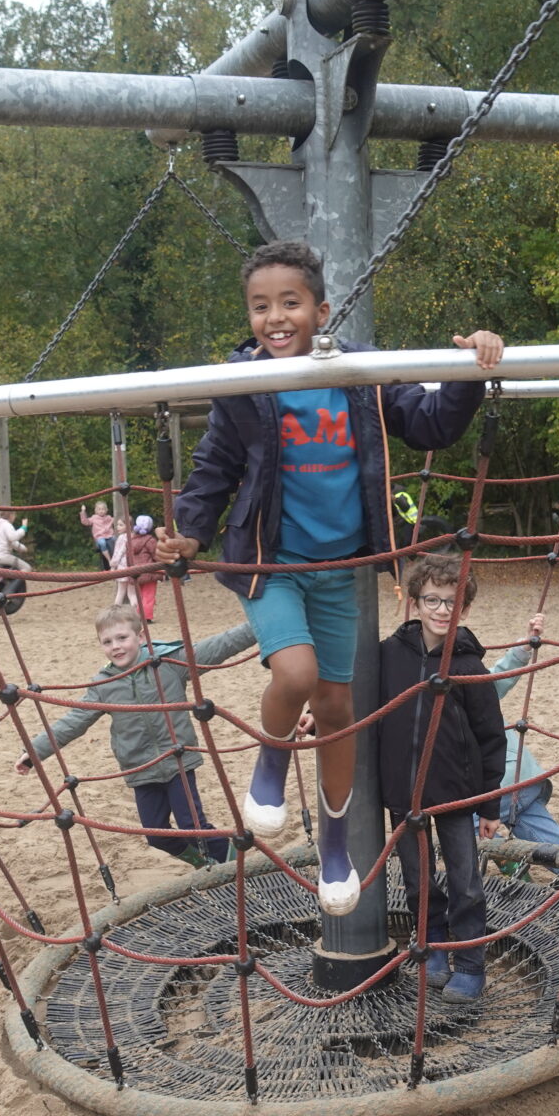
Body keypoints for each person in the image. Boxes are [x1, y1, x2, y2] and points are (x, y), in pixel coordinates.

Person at [159, 239, 504, 916]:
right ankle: (270, 765)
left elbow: (429, 423)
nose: (274, 318)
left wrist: (468, 372)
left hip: (342, 570)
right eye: (260, 306)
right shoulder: (244, 386)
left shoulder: (359, 374)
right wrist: (192, 531)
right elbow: (215, 466)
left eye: (289, 303)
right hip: (272, 565)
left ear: (320, 312)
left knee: (339, 710)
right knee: (296, 675)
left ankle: (338, 847)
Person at [16, 604, 253, 868]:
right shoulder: (104, 684)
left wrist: (261, 625)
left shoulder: (168, 663)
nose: (115, 646)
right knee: (156, 835)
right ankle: (205, 864)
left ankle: (236, 867)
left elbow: (221, 646)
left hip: (177, 760)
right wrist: (35, 751)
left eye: (122, 638)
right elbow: (74, 721)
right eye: (107, 642)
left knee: (194, 828)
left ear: (140, 637)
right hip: (140, 767)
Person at [377, 554, 507, 1003]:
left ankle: (469, 963)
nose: (440, 609)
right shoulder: (389, 654)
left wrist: (490, 805)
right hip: (404, 792)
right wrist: (320, 716)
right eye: (432, 599)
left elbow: (491, 737)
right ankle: (431, 946)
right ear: (414, 602)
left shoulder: (469, 667)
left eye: (451, 602)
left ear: (464, 609)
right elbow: (361, 701)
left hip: (455, 793)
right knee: (418, 878)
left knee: (465, 880)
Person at [485, 610, 559, 864]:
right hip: (525, 777)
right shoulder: (474, 685)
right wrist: (524, 647)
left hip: (502, 786)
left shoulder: (455, 694)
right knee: (555, 850)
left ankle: (511, 866)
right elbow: (500, 676)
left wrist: (524, 647)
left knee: (461, 822)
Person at [128, 515, 161, 623]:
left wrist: (129, 571)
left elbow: (128, 558)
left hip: (136, 573)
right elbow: (156, 555)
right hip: (149, 572)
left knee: (140, 595)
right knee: (148, 594)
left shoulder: (131, 541)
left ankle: (139, 614)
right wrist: (162, 566)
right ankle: (146, 616)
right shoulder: (151, 541)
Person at [108, 516, 136, 608]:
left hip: (122, 567)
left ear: (128, 526)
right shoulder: (134, 536)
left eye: (121, 525)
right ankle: (136, 612)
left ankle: (116, 612)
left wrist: (113, 566)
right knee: (132, 593)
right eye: (117, 525)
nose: (118, 527)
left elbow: (118, 553)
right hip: (133, 567)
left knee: (120, 592)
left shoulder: (122, 537)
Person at [80, 499, 116, 569]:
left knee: (115, 539)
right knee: (102, 543)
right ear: (96, 511)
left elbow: (117, 519)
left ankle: (116, 560)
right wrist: (83, 511)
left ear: (106, 510)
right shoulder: (94, 518)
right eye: (99, 509)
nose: (101, 511)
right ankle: (110, 560)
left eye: (103, 509)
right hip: (100, 537)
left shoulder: (108, 518)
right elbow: (85, 521)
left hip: (109, 536)